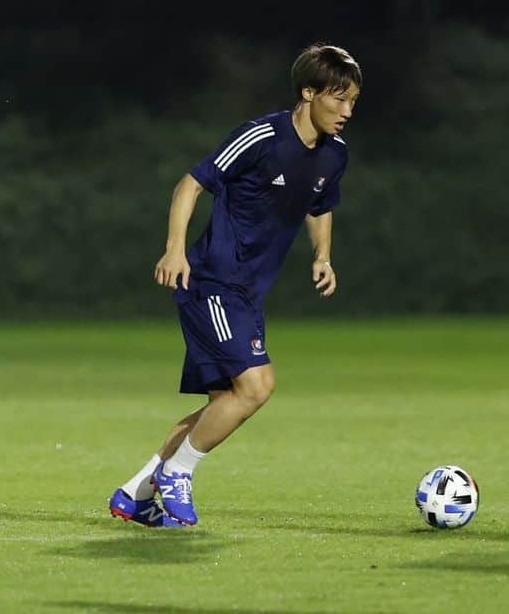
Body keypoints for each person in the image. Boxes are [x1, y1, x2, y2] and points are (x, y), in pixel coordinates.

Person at [107, 43, 361, 527]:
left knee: (225, 403)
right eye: (338, 99)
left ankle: (133, 494)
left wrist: (323, 256)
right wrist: (175, 248)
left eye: (352, 101)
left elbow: (320, 204)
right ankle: (177, 475)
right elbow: (191, 183)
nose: (347, 111)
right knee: (257, 386)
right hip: (211, 281)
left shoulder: (334, 155)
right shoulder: (262, 137)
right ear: (308, 93)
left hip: (246, 292)